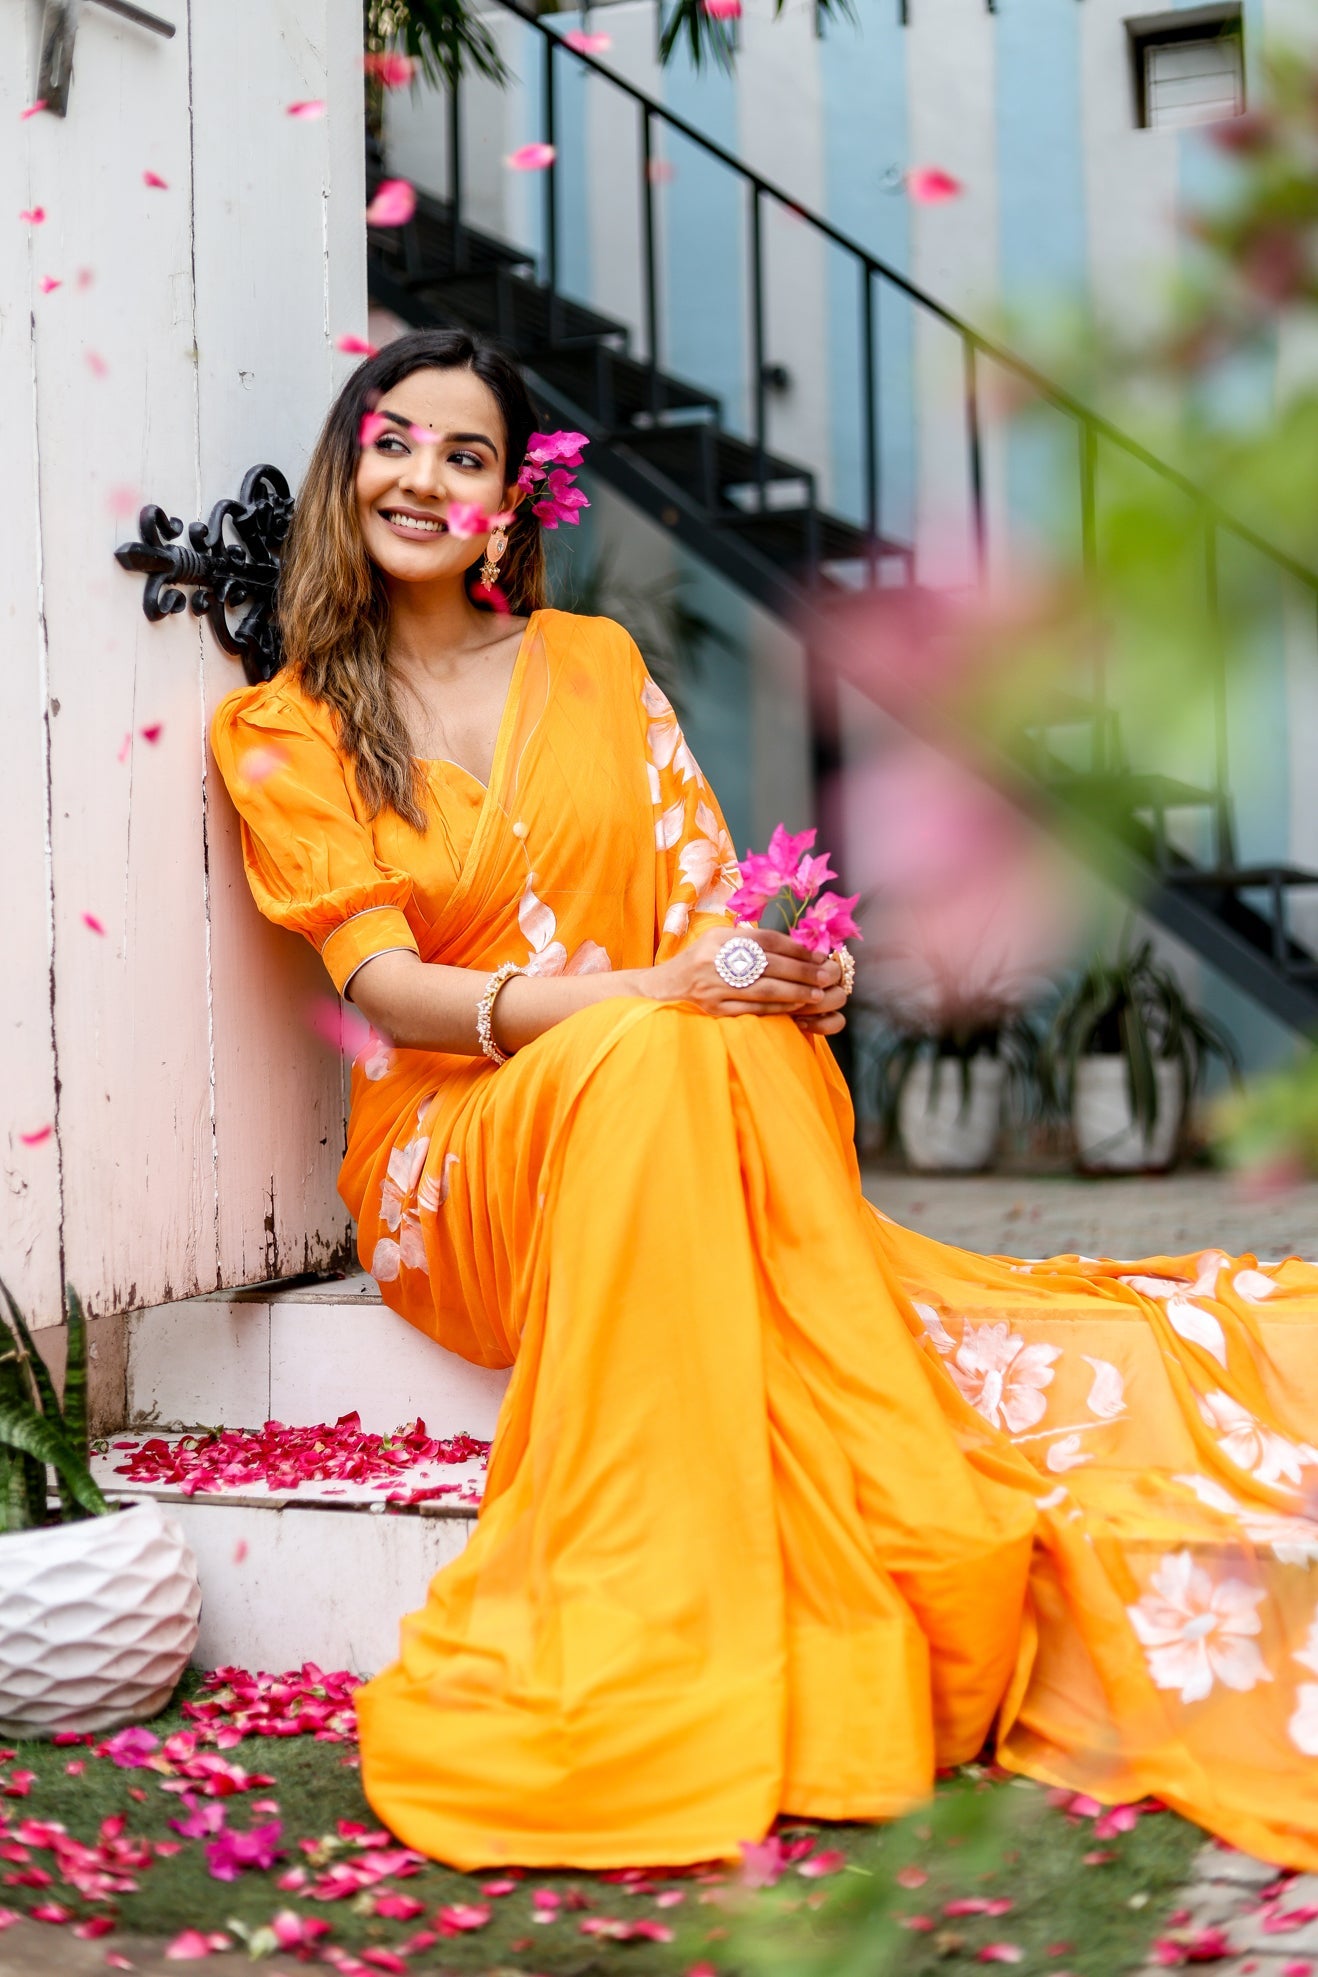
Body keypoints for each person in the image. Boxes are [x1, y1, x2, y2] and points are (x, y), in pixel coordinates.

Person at [211, 327, 1318, 1875]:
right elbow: (384, 991)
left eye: (467, 456)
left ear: (506, 510)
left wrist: (780, 973)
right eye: (395, 439)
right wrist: (643, 999)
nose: (424, 476)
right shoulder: (288, 724)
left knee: (709, 1037)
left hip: (654, 1082)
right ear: (350, 462)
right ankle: (656, 1628)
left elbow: (705, 914)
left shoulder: (590, 666)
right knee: (661, 1041)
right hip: (455, 1156)